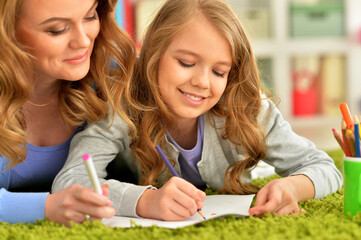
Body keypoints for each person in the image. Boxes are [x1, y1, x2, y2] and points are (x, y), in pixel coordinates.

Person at [53, 0, 342, 221]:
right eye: (186, 63)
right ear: (153, 56)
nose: (202, 82)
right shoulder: (123, 105)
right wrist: (144, 201)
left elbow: (325, 167)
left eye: (219, 71)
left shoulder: (248, 108)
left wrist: (293, 188)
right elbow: (69, 181)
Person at [0, 0, 135, 226]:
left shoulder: (111, 72)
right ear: (7, 34)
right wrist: (47, 207)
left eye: (90, 16)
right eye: (57, 29)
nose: (83, 41)